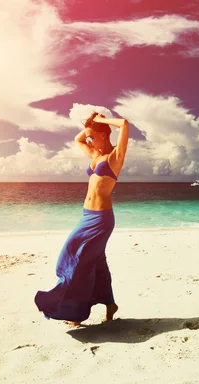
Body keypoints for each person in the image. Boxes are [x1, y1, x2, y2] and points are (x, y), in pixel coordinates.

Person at [34, 112, 129, 326]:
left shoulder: (115, 157)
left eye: (92, 137)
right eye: (89, 137)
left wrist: (101, 122)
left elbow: (124, 124)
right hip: (87, 215)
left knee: (72, 258)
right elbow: (78, 139)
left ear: (104, 135)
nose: (88, 141)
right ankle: (109, 304)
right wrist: (90, 124)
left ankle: (73, 311)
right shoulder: (95, 154)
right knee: (96, 264)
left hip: (100, 220)